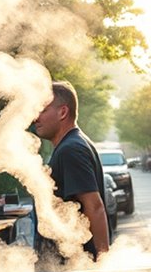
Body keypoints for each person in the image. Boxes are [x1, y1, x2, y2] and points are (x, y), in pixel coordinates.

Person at [32, 81, 110, 260]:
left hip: (75, 269)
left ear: (63, 112)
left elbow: (95, 207)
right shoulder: (74, 144)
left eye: (42, 110)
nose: (36, 117)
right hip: (67, 267)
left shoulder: (71, 149)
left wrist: (104, 265)